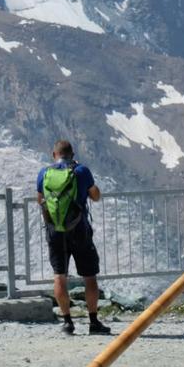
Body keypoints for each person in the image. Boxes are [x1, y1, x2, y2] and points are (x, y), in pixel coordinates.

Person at [36, 140, 109, 336]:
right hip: (79, 229)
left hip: (55, 230)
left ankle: (67, 322)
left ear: (54, 155)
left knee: (60, 275)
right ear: (72, 154)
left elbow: (40, 199)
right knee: (89, 275)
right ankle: (93, 322)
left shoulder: (44, 173)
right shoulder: (81, 171)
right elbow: (96, 196)